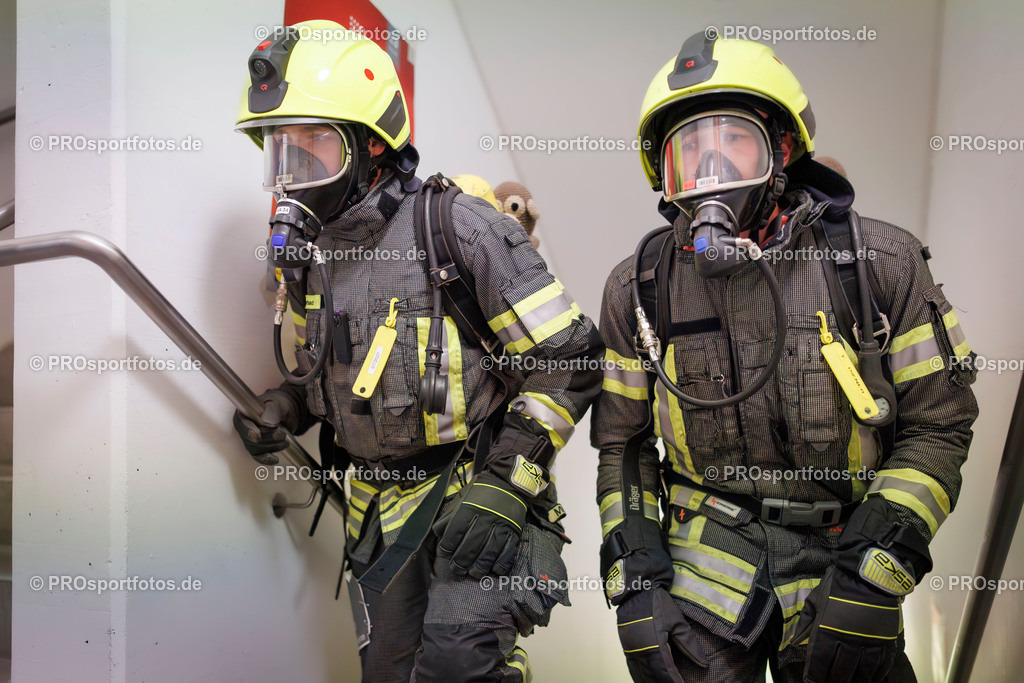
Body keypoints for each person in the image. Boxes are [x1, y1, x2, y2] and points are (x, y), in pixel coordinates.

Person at [593, 32, 978, 682]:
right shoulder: (639, 286)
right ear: (665, 173)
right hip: (705, 554)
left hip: (843, 548)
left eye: (733, 140)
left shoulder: (879, 266)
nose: (711, 168)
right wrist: (632, 568)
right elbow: (624, 443)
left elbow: (940, 426)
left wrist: (880, 562)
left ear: (782, 151)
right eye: (691, 151)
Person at [231, 20, 603, 682]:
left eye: (313, 144)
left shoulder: (457, 226)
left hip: (477, 490)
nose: (292, 172)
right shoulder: (310, 258)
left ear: (372, 146)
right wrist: (286, 407)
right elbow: (332, 377)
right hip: (380, 516)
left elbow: (571, 355)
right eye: (280, 148)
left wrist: (511, 482)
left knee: (460, 665)